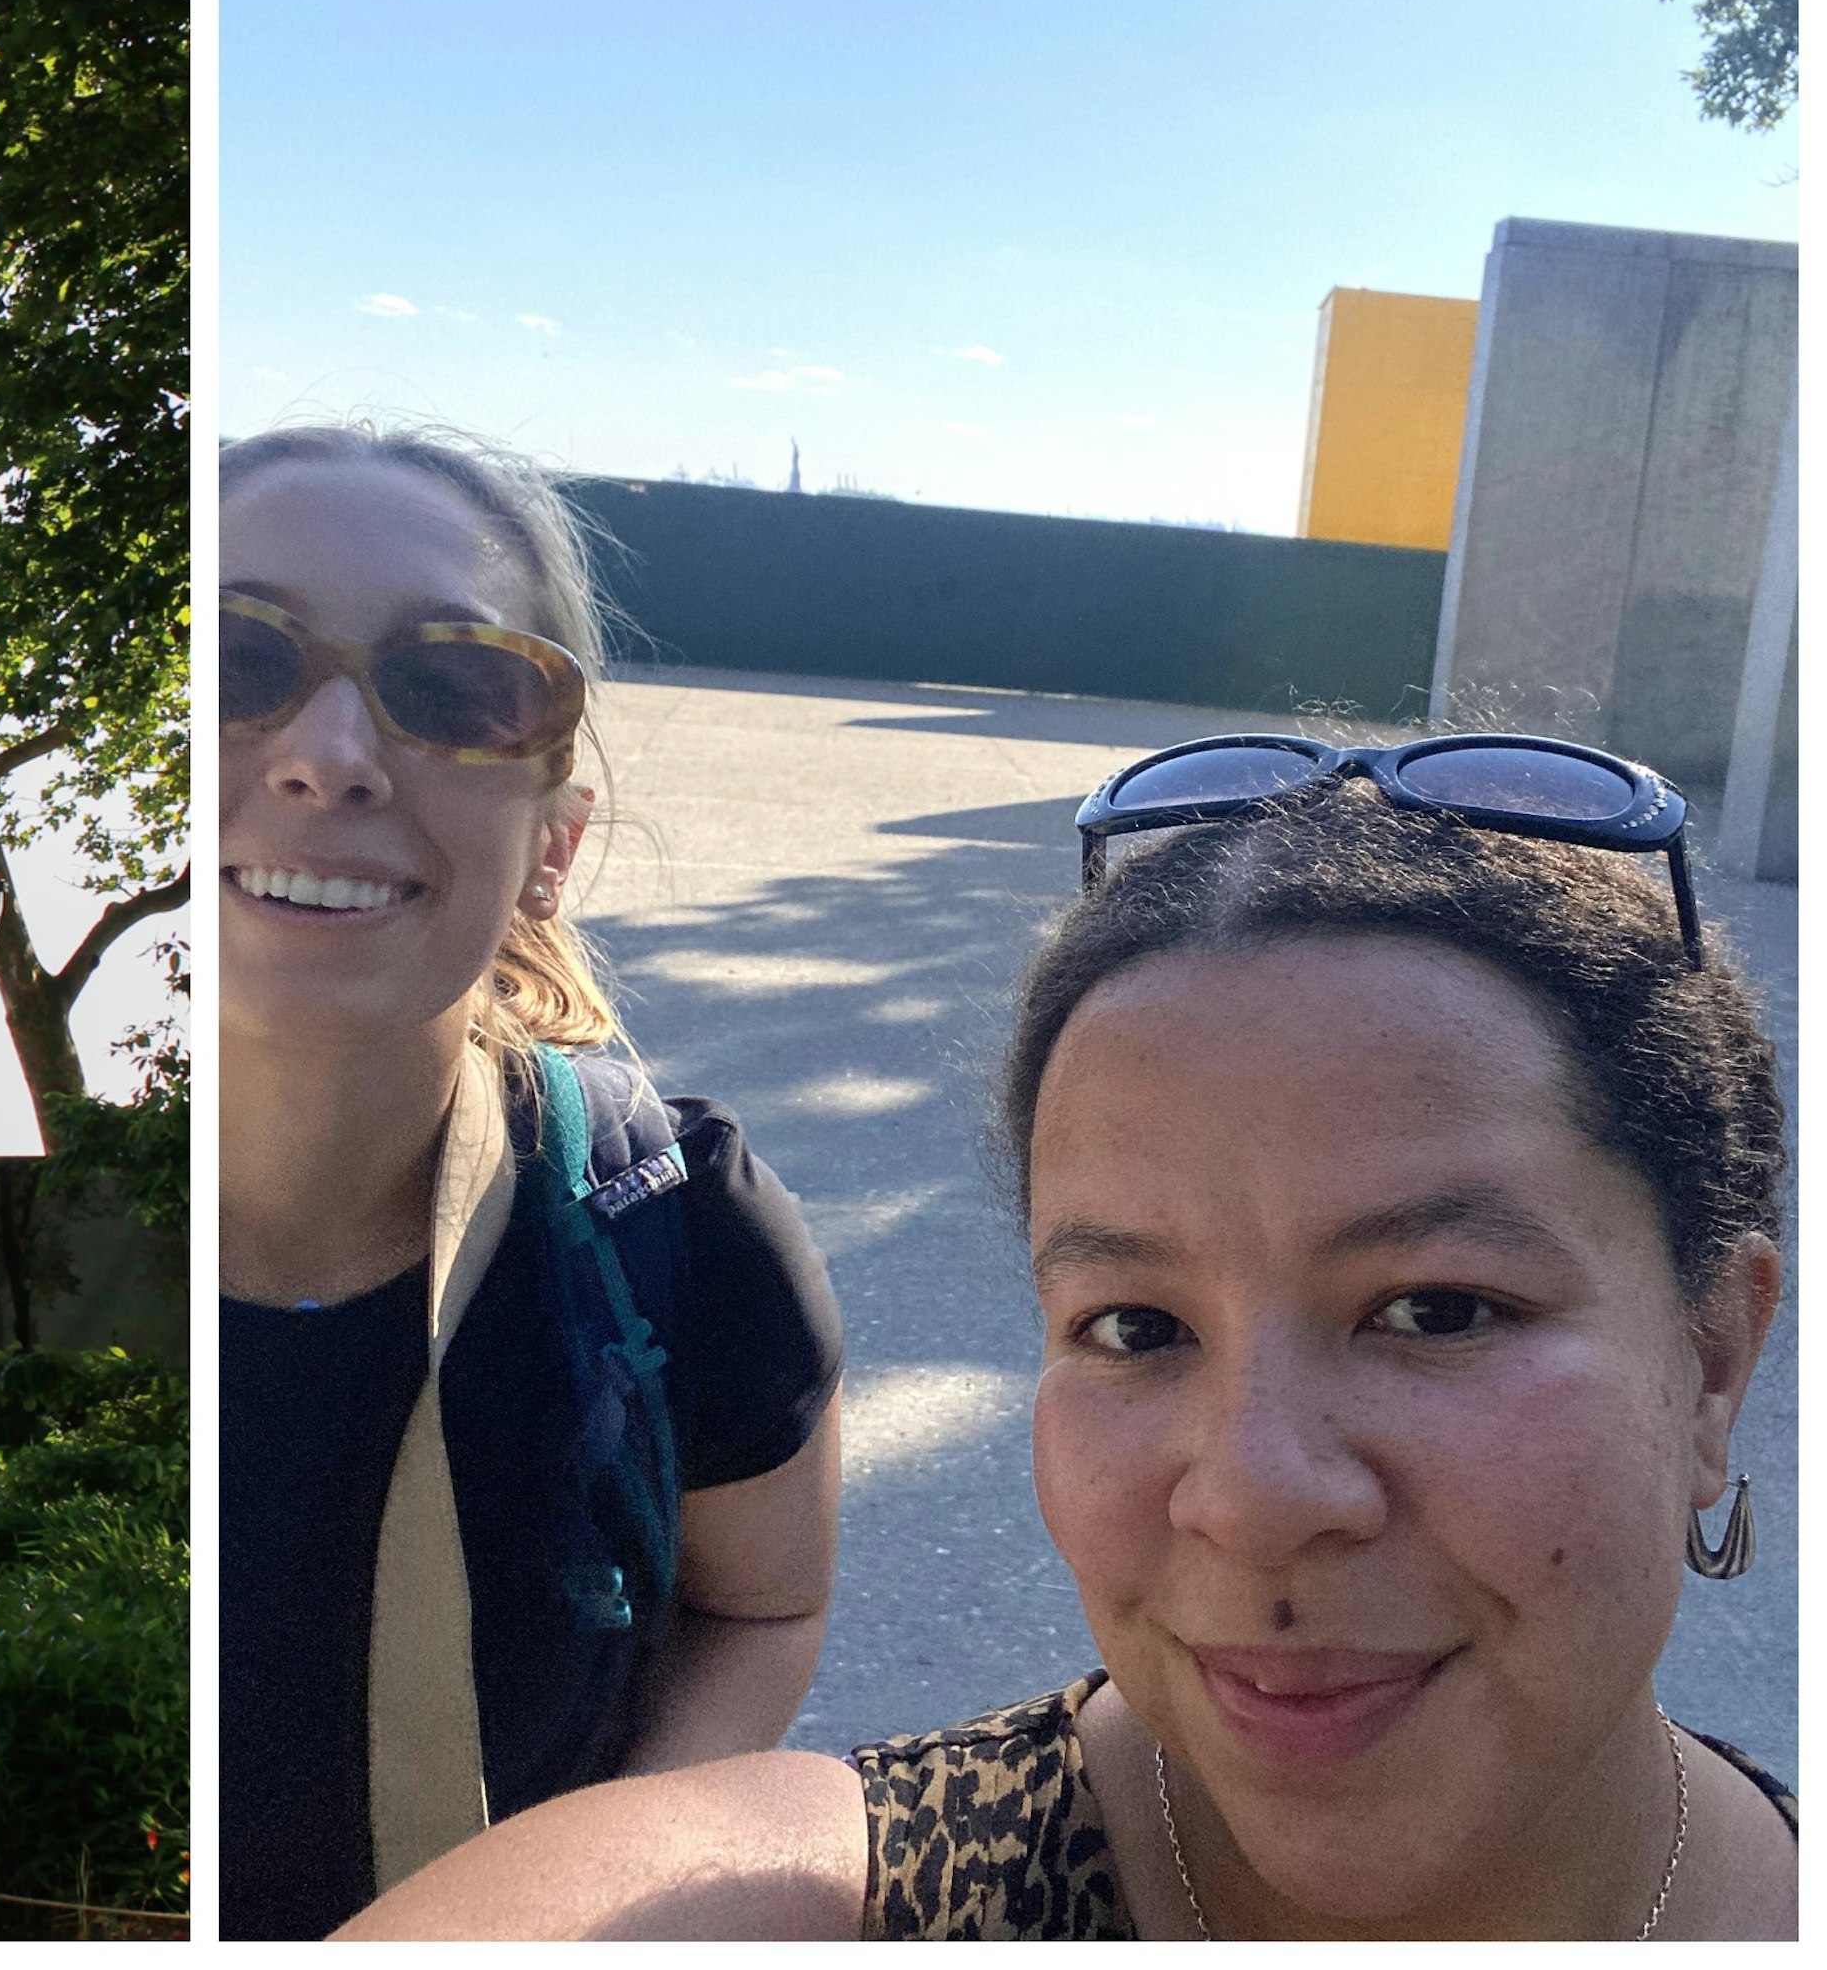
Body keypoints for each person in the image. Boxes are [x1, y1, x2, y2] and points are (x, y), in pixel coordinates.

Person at [341, 738, 1797, 1941]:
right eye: (1138, 1325)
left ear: (1714, 1359)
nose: (1250, 1494)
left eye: (1438, 1308)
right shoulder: (830, 1909)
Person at [220, 422, 847, 1940]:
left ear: (553, 843)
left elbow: (764, 1607)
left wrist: (567, 1918)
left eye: (454, 689)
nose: (329, 753)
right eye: (235, 657)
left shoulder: (679, 1226)